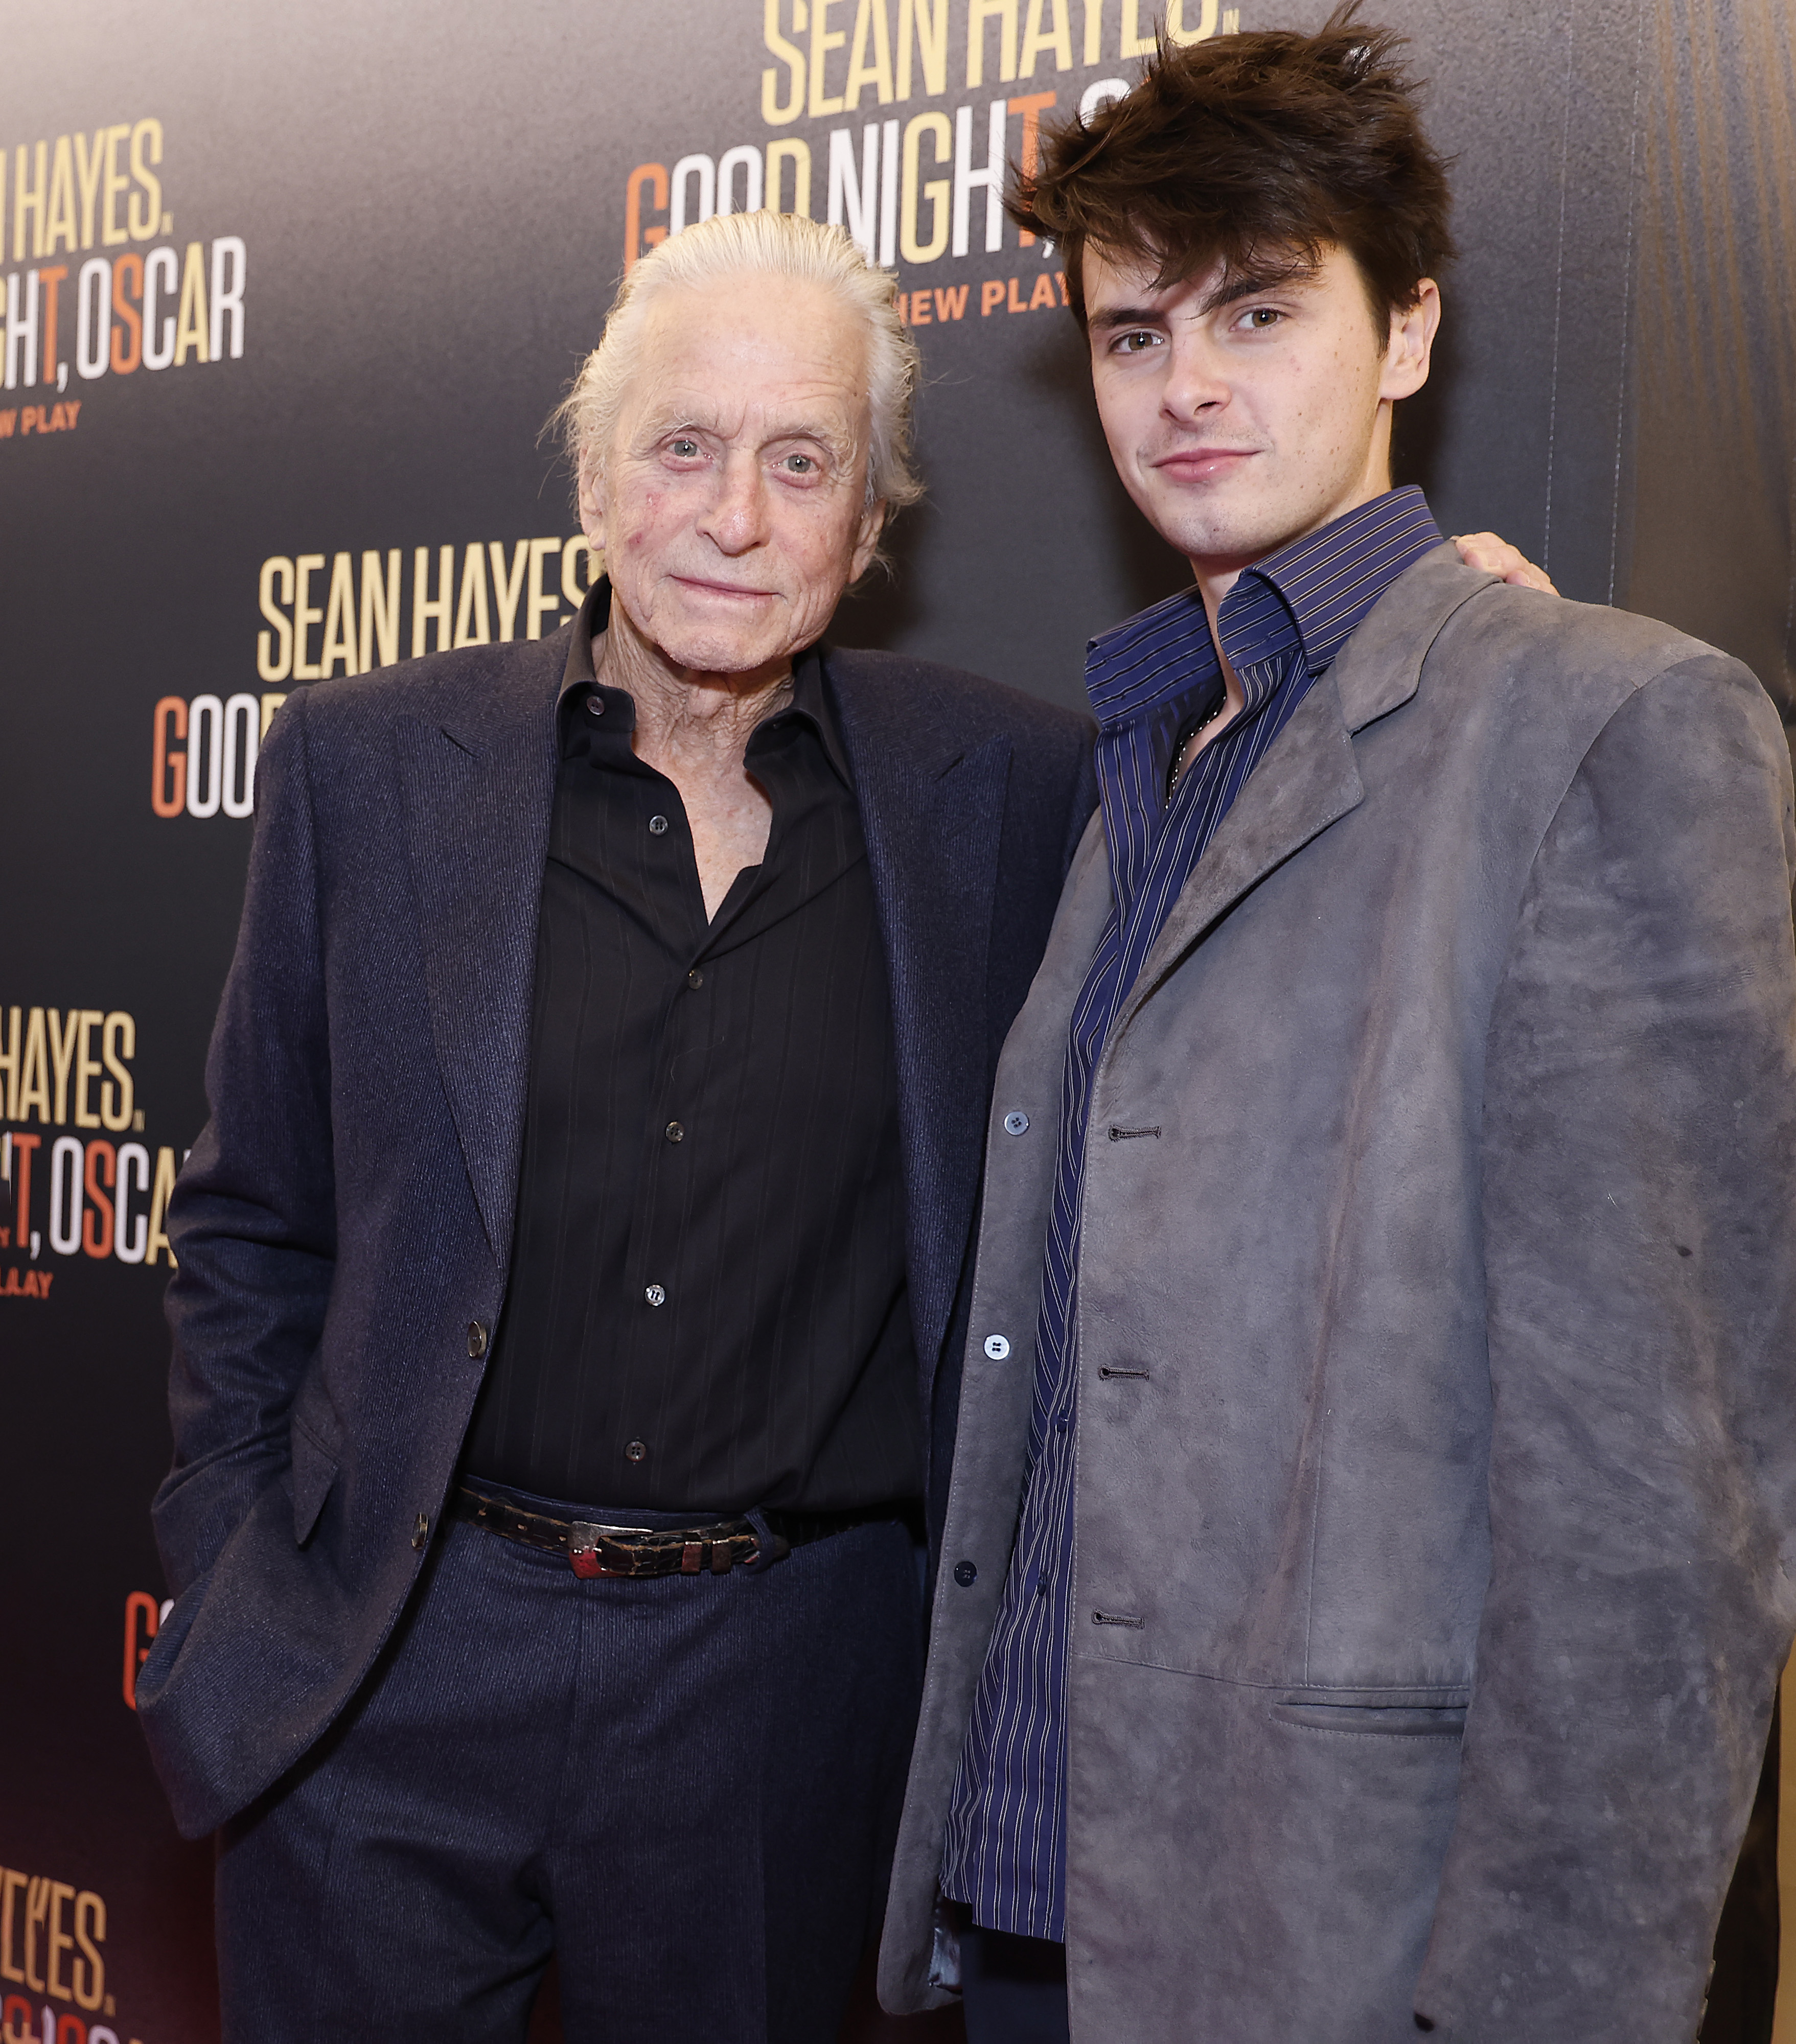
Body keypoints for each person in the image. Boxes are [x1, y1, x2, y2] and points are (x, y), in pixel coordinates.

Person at [878, 23, 1796, 2044]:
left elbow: (1662, 1533)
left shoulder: (1598, 724)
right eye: (1132, 334)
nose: (1188, 384)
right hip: (1046, 1915)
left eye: (1258, 310)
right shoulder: (1143, 754)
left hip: (1340, 1951)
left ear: (1407, 331)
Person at [134, 208, 1101, 2044]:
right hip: (391, 1664)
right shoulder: (368, 769)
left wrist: (1445, 632)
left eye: (800, 461)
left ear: (872, 523)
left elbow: (1268, 825)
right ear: (592, 477)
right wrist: (238, 1569)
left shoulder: (1016, 799)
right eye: (684, 446)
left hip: (782, 1694)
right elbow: (253, 1221)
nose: (735, 515)